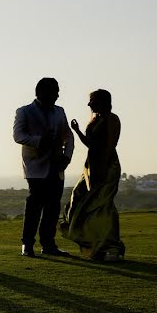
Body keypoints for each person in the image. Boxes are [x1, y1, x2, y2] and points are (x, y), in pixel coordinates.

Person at [13, 78, 74, 257]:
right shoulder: (24, 111)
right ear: (40, 92)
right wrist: (40, 141)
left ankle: (48, 244)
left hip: (57, 165)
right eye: (54, 91)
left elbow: (68, 136)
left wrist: (67, 157)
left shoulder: (59, 111)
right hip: (35, 166)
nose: (57, 95)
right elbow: (18, 135)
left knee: (53, 207)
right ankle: (27, 244)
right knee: (34, 206)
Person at [61, 89, 124, 261]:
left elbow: (110, 145)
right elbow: (91, 144)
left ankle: (111, 247)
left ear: (103, 101)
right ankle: (93, 241)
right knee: (78, 197)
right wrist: (78, 131)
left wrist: (102, 169)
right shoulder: (95, 118)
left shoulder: (112, 119)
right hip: (91, 165)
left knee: (102, 205)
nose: (89, 104)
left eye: (93, 100)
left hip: (106, 165)